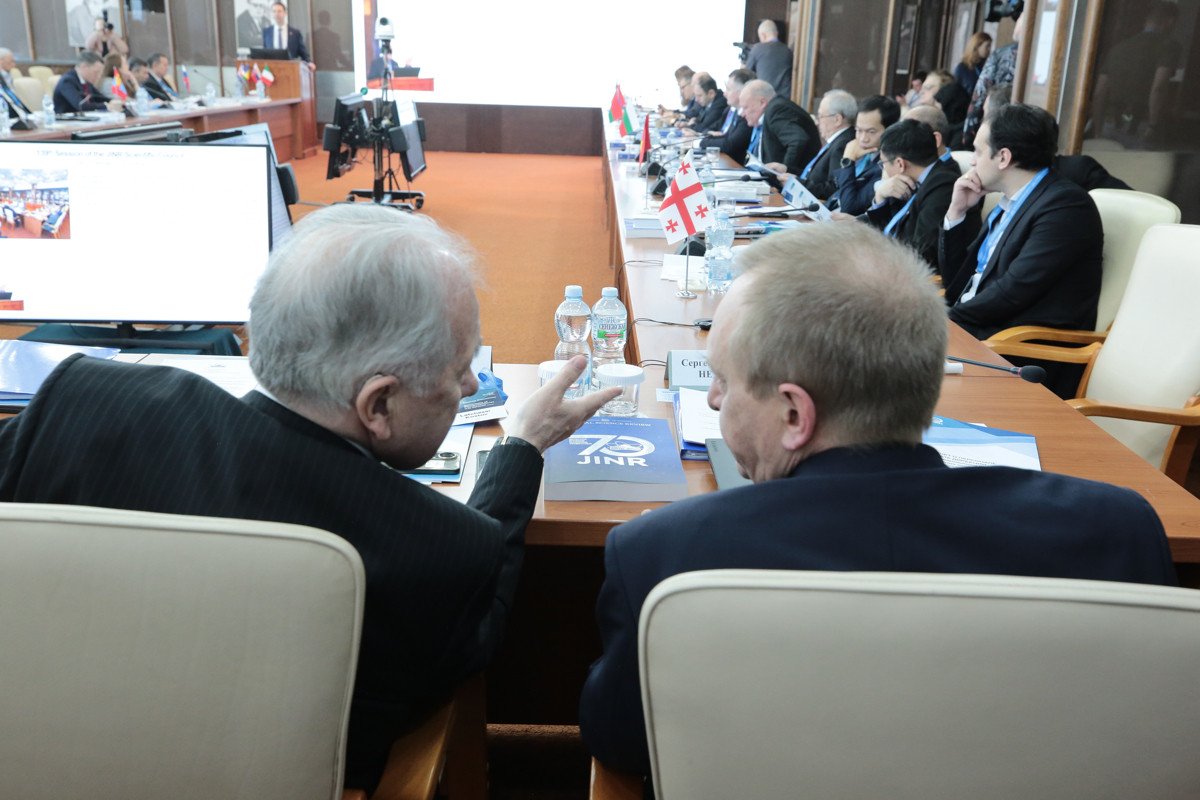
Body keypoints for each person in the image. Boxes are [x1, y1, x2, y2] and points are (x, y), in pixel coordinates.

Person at [0, 203, 618, 793]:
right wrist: (522, 448)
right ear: (378, 404)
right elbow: (476, 630)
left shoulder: (81, 403)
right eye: (460, 370)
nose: (472, 382)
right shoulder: (435, 548)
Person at [577, 221, 1177, 778]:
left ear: (794, 414)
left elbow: (623, 744)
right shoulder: (1117, 530)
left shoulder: (665, 556)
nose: (712, 400)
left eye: (723, 381)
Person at [940, 103, 1103, 352]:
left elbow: (1012, 292)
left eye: (978, 151)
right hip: (974, 330)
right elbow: (956, 284)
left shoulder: (1066, 207)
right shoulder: (1007, 203)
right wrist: (957, 212)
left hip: (1016, 349)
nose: (972, 161)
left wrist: (939, 321)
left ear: (1003, 157)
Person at [860, 118, 973, 267]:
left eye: (883, 163)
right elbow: (889, 226)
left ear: (900, 164)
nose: (883, 169)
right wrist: (880, 196)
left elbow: (922, 252)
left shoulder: (943, 186)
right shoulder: (912, 179)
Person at [827, 94, 900, 216]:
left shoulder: (887, 165)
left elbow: (849, 208)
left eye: (871, 132)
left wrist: (848, 161)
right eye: (858, 130)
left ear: (890, 130)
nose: (863, 138)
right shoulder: (863, 152)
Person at [962, 12, 1024, 149]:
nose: (1017, 23)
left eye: (1020, 18)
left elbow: (980, 93)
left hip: (996, 117)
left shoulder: (1001, 54)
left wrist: (968, 134)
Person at [739, 78, 820, 176]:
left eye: (745, 107)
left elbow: (798, 140)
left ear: (762, 102)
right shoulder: (773, 108)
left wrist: (785, 171)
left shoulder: (776, 110)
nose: (742, 114)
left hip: (797, 179)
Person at [798, 88, 856, 199]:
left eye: (821, 116)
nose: (817, 121)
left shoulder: (843, 144)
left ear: (837, 119)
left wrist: (799, 183)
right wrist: (787, 171)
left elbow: (833, 188)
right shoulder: (838, 140)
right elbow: (816, 174)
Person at [698, 68, 755, 164]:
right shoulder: (729, 110)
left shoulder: (747, 116)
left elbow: (730, 145)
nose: (724, 94)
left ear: (742, 92)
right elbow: (709, 128)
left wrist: (702, 142)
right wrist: (709, 134)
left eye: (728, 89)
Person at [53, 51, 123, 113]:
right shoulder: (67, 81)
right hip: (65, 121)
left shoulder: (86, 82)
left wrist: (115, 102)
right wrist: (106, 106)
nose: (98, 76)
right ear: (84, 66)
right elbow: (81, 105)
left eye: (100, 73)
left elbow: (98, 97)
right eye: (96, 72)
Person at [744, 19, 793, 97]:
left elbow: (747, 74)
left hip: (765, 97)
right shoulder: (788, 50)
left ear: (763, 35)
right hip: (785, 97)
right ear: (776, 33)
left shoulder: (757, 48)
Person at [263, 1, 314, 70]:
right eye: (274, 11)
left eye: (279, 11)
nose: (276, 14)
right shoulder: (266, 32)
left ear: (285, 13)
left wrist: (309, 62)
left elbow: (303, 52)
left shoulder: (295, 33)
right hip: (272, 70)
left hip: (291, 70)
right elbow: (265, 53)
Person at [0, 47, 32, 123]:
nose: (13, 65)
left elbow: (14, 100)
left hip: (20, 115)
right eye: (10, 62)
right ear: (1, 61)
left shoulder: (8, 77)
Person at [954, 32, 992, 97]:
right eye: (987, 46)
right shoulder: (962, 68)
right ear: (977, 46)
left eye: (990, 46)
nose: (989, 50)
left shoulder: (987, 66)